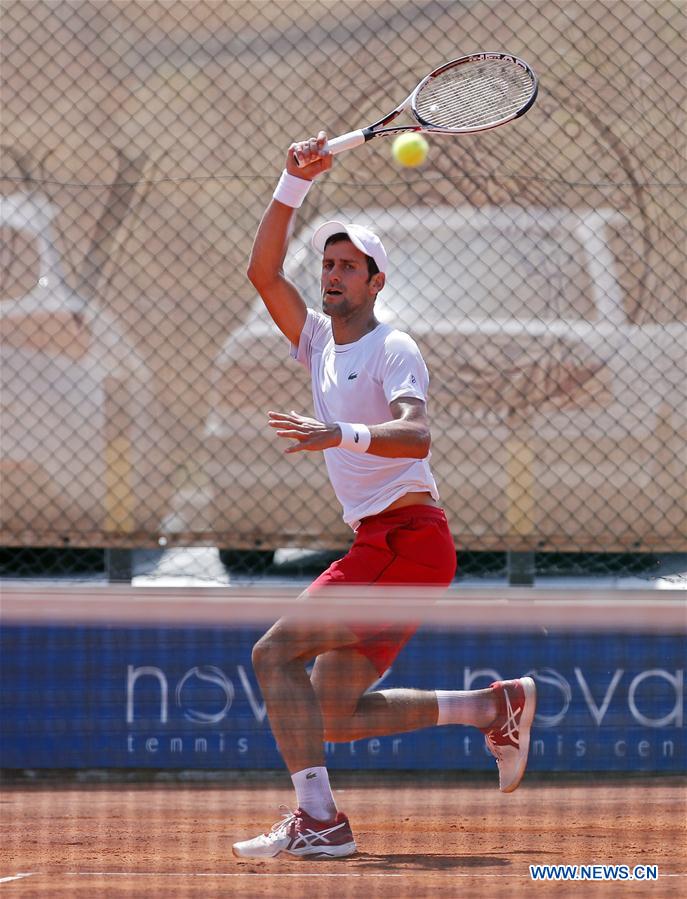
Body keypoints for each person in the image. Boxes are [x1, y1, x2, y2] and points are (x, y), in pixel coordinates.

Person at [232, 132, 536, 860]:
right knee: (331, 713)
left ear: (376, 282)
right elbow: (262, 272)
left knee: (273, 655)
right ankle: (492, 706)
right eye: (328, 264)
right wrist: (292, 182)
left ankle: (319, 820)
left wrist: (339, 432)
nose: (332, 274)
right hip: (384, 543)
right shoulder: (316, 342)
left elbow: (416, 434)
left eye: (348, 266)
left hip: (408, 541)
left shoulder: (394, 347)